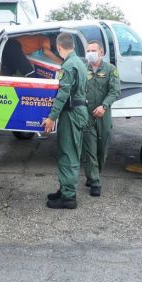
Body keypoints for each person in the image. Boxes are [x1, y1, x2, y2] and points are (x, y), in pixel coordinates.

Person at [41, 33, 88, 209]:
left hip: (72, 112)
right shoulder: (79, 63)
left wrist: (52, 117)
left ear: (59, 48)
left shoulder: (68, 65)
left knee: (69, 153)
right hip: (77, 110)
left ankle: (69, 197)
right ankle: (64, 188)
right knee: (67, 151)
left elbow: (63, 93)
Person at [81, 40, 120, 197]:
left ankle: (93, 174)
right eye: (88, 50)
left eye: (93, 50)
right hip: (87, 115)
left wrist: (104, 106)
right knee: (89, 149)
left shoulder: (111, 69)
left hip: (104, 115)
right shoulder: (83, 69)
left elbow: (115, 91)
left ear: (101, 52)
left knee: (101, 149)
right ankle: (95, 181)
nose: (90, 53)